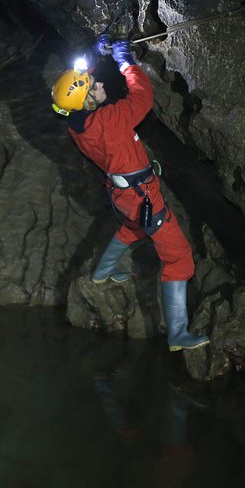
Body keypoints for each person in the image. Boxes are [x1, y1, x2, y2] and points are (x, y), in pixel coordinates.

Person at [50, 35, 209, 351]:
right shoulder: (110, 121)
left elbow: (76, 85)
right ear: (90, 101)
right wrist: (126, 63)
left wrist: (94, 54)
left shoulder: (75, 122)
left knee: (133, 227)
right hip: (142, 195)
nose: (99, 84)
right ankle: (178, 333)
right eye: (94, 86)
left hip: (122, 194)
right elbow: (142, 96)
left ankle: (103, 272)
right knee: (178, 257)